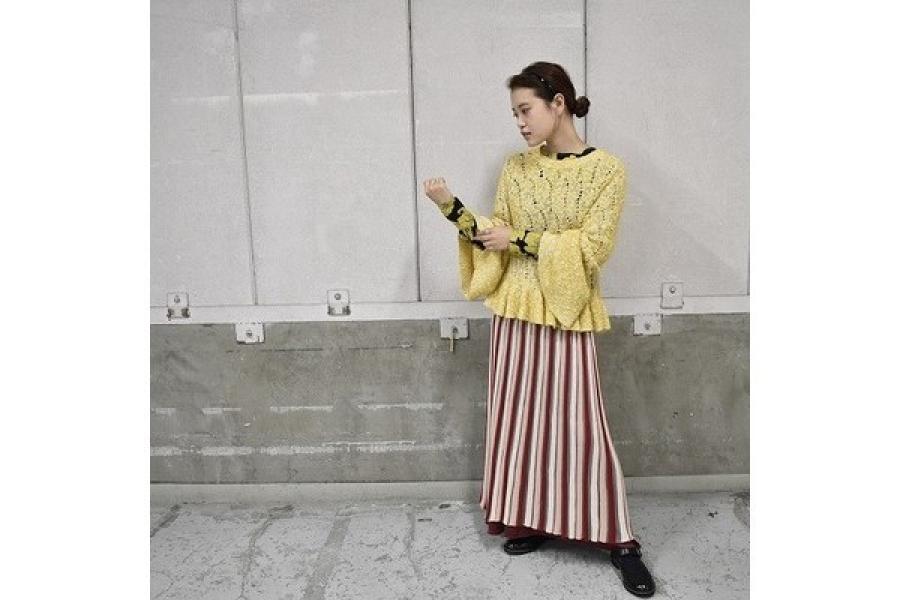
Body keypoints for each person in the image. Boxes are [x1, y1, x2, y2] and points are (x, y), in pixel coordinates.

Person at [422, 62, 656, 598]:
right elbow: (495, 235)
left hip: (566, 311)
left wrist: (521, 240)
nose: (521, 123)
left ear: (559, 103)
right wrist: (451, 208)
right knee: (519, 423)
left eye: (526, 110)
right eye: (515, 114)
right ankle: (529, 520)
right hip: (515, 311)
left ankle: (620, 540)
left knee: (581, 426)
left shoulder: (608, 170)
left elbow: (593, 247)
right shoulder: (516, 168)